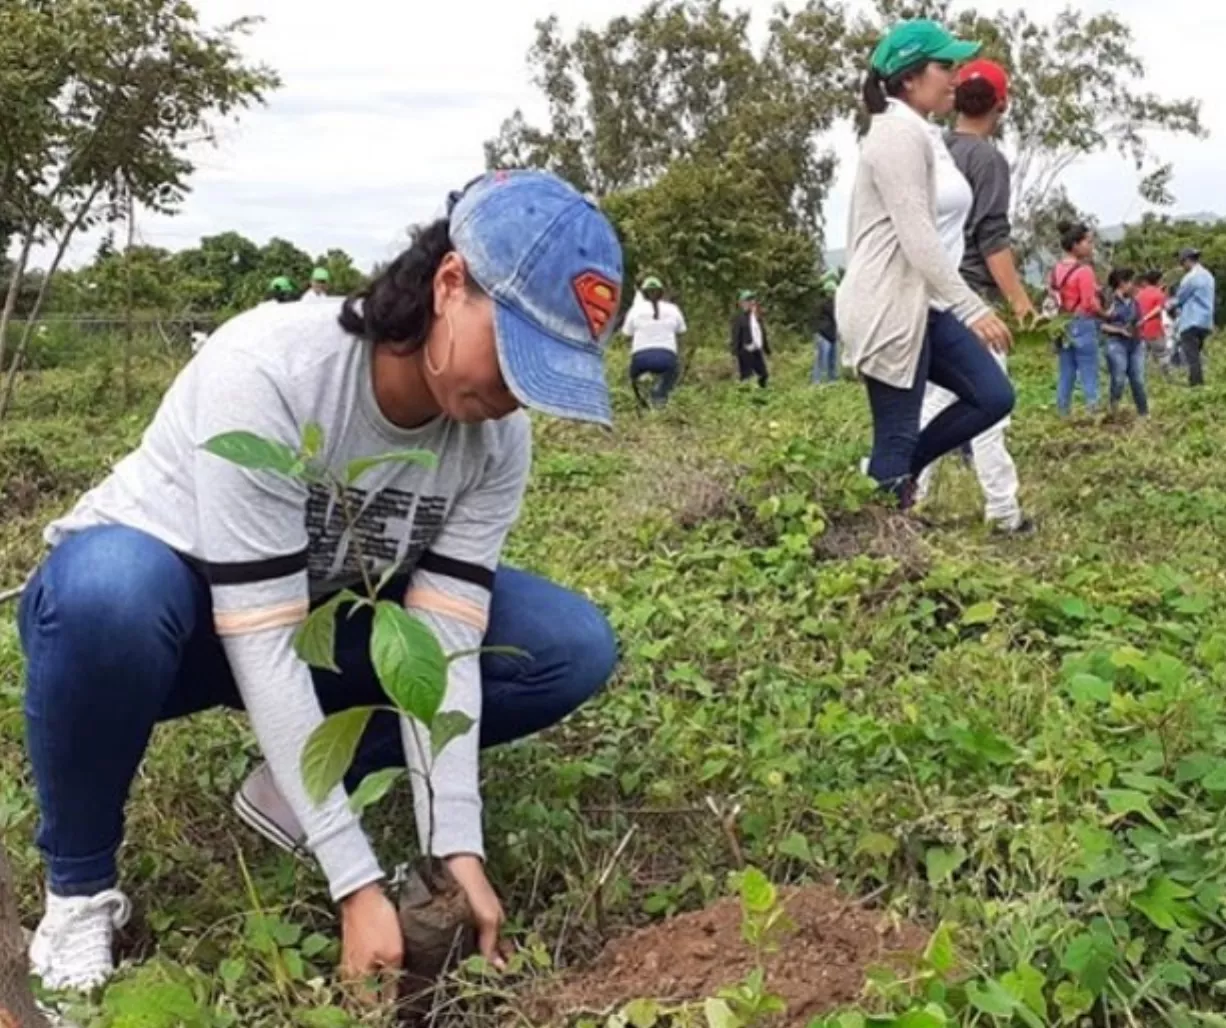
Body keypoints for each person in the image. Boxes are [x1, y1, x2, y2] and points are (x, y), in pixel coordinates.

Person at [19, 170, 623, 991]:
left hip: (320, 624)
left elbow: (443, 640)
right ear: (450, 284)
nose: (519, 393)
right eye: (516, 353)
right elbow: (260, 636)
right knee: (108, 592)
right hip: (176, 626)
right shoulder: (273, 368)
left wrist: (457, 846)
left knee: (564, 645)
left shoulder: (494, 440)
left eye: (546, 374)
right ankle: (80, 890)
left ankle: (298, 787)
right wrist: (354, 878)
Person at [837, 19, 1014, 508]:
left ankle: (890, 478)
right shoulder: (894, 134)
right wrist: (972, 306)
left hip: (926, 303)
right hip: (890, 305)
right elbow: (917, 233)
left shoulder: (924, 133)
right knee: (895, 435)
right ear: (910, 77)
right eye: (944, 66)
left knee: (992, 395)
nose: (955, 77)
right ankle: (885, 550)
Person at [914, 58, 1033, 534]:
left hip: (930, 294)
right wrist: (1020, 301)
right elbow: (993, 239)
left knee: (929, 403)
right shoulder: (987, 160)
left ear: (954, 97)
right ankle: (1003, 511)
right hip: (970, 301)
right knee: (989, 407)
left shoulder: (937, 149)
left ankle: (907, 495)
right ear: (1001, 105)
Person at [1049, 222, 1102, 416]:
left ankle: (1063, 412)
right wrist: (1105, 314)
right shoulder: (1085, 271)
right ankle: (1093, 411)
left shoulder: (1056, 270)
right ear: (1075, 245)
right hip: (1083, 322)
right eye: (1087, 242)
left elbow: (1054, 296)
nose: (1091, 246)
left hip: (1062, 324)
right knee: (1089, 370)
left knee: (1066, 372)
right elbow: (1089, 303)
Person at [624, 276, 686, 408]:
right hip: (667, 357)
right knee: (673, 371)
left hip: (641, 358)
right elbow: (681, 330)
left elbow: (627, 333)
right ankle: (659, 395)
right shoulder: (673, 309)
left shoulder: (635, 310)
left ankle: (641, 402)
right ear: (662, 293)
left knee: (632, 376)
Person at [1101, 268, 1149, 417]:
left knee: (1138, 380)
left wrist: (1138, 324)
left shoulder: (1134, 302)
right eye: (1130, 282)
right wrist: (1119, 330)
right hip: (1116, 342)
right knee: (1119, 378)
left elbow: (1139, 319)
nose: (1132, 285)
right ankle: (1113, 408)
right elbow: (1100, 325)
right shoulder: (1108, 301)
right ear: (1121, 283)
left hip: (1135, 343)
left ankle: (1144, 412)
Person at [1170, 247, 1216, 387]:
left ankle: (1197, 386)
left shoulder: (1190, 278)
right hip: (1205, 321)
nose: (1181, 266)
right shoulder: (1209, 276)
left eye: (1182, 262)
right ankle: (1196, 383)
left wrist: (1168, 306)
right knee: (1196, 354)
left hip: (1191, 321)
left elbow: (1179, 298)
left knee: (1192, 358)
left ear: (1188, 260)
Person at [731, 290, 770, 388]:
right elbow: (736, 336)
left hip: (756, 350)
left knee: (763, 375)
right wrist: (734, 353)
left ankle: (763, 395)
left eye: (752, 300)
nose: (750, 302)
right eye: (747, 300)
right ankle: (745, 397)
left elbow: (762, 334)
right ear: (742, 303)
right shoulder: (739, 318)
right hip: (744, 352)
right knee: (746, 378)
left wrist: (767, 349)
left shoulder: (757, 317)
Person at [1135, 270, 1168, 365]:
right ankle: (1165, 379)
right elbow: (1159, 308)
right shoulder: (1159, 294)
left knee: (1144, 360)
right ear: (1158, 281)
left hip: (1141, 332)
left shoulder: (1139, 294)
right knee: (1163, 358)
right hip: (1156, 331)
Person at [811, 274, 840, 385]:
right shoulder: (824, 304)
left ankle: (832, 381)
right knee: (821, 360)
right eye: (832, 292)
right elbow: (834, 314)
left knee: (832, 360)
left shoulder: (833, 303)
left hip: (832, 335)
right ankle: (817, 382)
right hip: (823, 335)